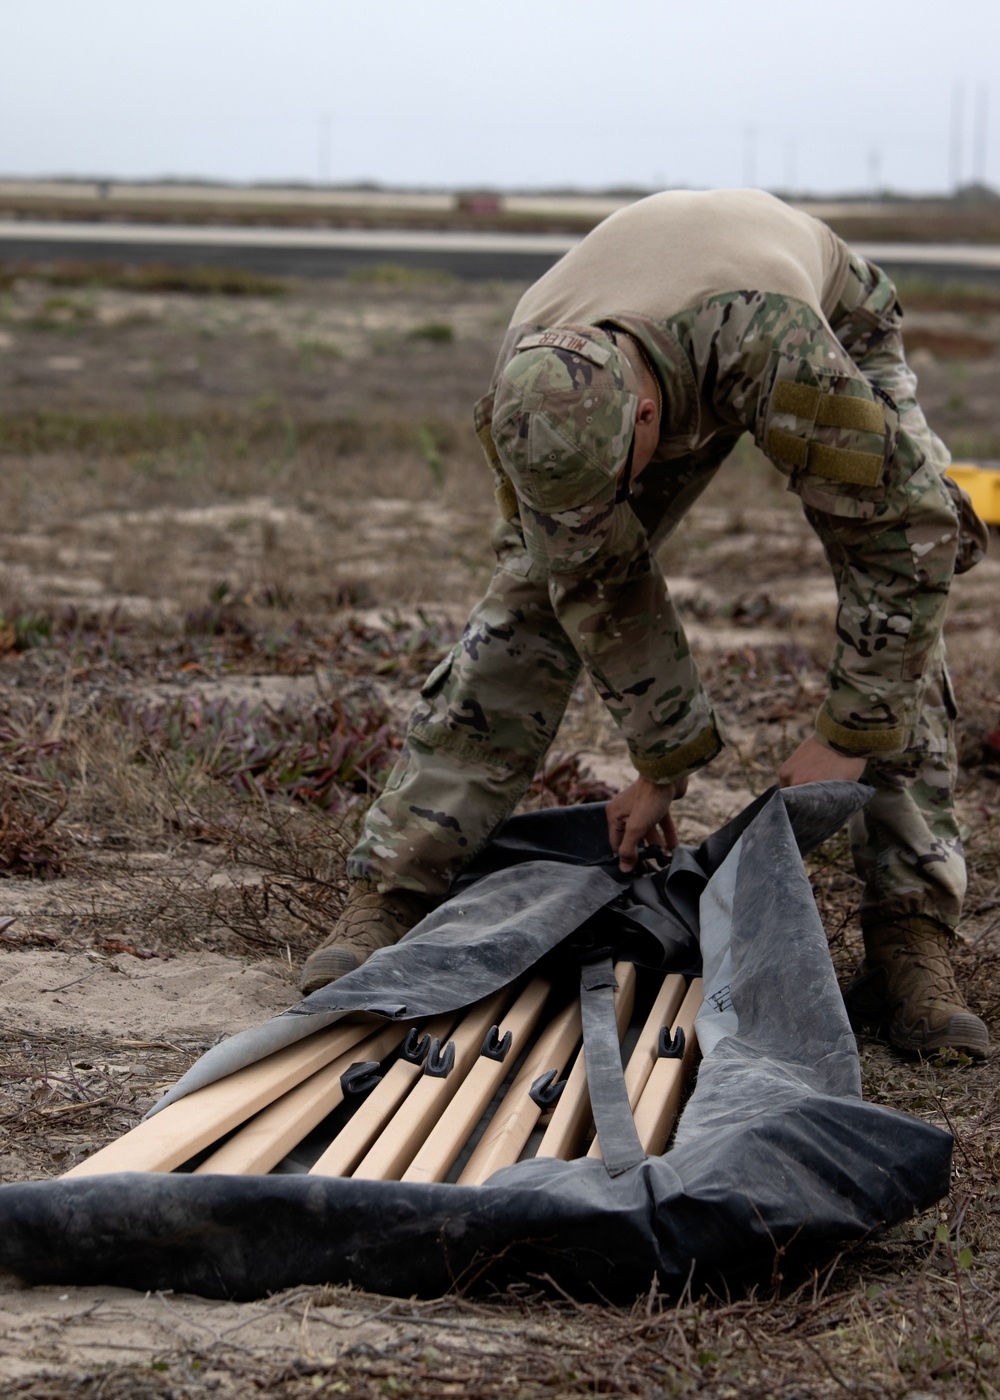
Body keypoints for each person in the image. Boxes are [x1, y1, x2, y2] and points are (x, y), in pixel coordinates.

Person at [301, 189, 989, 1059]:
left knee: (895, 603)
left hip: (814, 321)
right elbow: (592, 577)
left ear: (654, 423)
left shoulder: (777, 352)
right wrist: (663, 763)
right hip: (659, 346)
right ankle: (395, 886)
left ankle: (912, 939)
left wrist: (850, 735)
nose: (601, 508)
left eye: (614, 480)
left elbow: (909, 541)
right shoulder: (536, 373)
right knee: (527, 603)